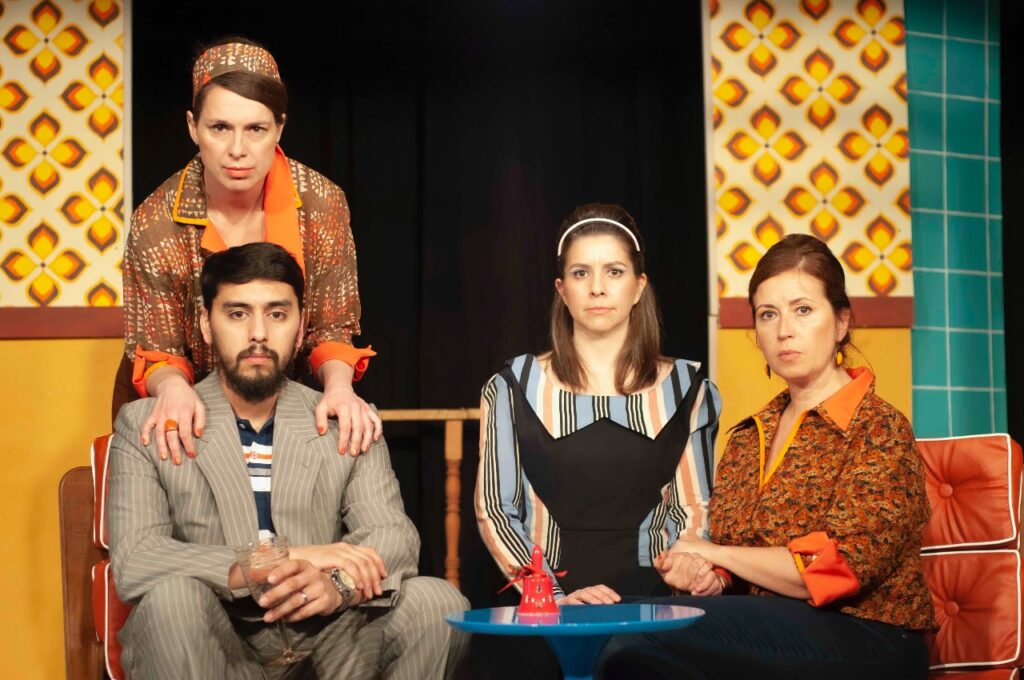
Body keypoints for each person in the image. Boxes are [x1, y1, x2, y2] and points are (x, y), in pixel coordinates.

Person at [108, 243, 468, 679]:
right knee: (172, 600)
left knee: (436, 602)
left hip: (328, 641)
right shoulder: (149, 423)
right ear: (206, 324)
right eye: (237, 314)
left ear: (300, 329)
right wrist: (279, 559)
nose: (258, 333)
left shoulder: (343, 419)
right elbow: (138, 560)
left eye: (277, 314)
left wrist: (338, 585)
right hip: (214, 638)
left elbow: (395, 538)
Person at [596, 234, 935, 680]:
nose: (783, 330)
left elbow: (835, 569)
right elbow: (739, 559)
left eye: (803, 310)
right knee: (607, 625)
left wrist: (716, 552)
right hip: (777, 631)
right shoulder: (747, 437)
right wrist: (708, 575)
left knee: (640, 633)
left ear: (841, 322)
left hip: (872, 636)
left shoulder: (879, 428)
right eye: (768, 314)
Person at [114, 38, 380, 465]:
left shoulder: (321, 203)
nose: (237, 149)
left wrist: (338, 387)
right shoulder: (156, 222)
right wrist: (174, 389)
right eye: (220, 128)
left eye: (256, 129)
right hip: (182, 396)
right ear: (192, 127)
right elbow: (159, 350)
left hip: (283, 395)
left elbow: (332, 329)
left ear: (279, 128)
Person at [475, 203, 723, 604]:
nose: (597, 288)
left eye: (614, 271)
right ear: (562, 290)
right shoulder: (510, 388)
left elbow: (693, 510)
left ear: (639, 286)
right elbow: (497, 511)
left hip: (661, 607)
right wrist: (550, 597)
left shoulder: (690, 391)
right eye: (580, 273)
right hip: (547, 610)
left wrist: (690, 572)